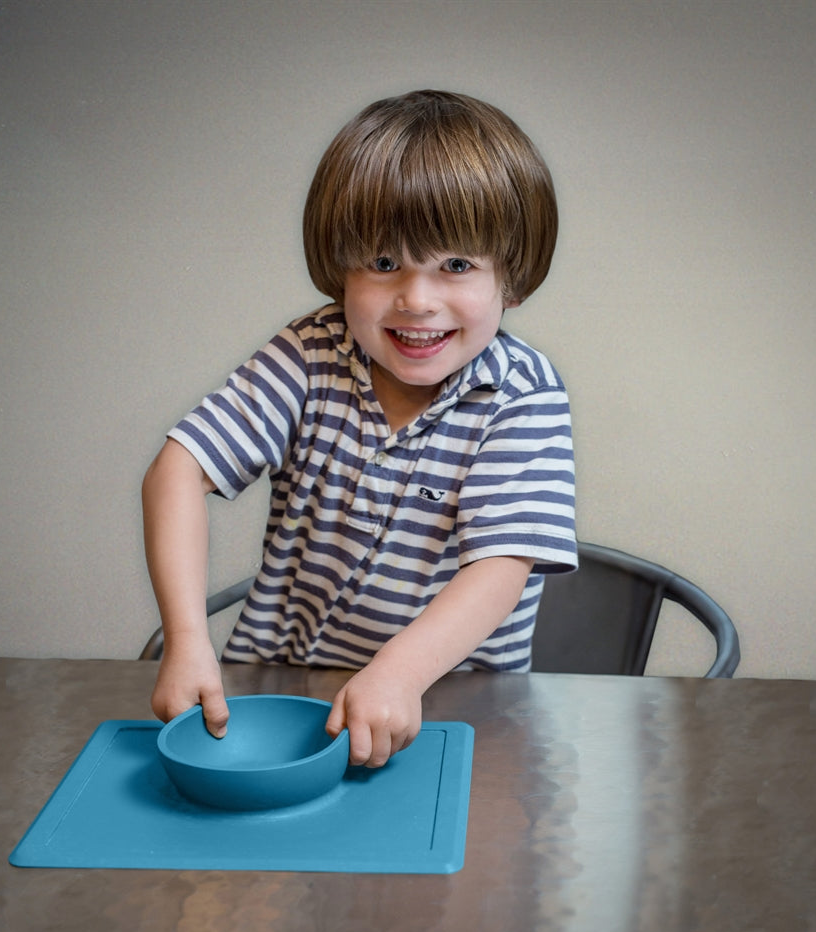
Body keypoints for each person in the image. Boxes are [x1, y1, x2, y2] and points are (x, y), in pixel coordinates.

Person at [142, 90, 577, 768]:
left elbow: (501, 566)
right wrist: (188, 638)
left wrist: (400, 673)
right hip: (284, 695)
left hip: (451, 701)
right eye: (382, 264)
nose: (416, 299)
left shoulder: (521, 394)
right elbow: (177, 471)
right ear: (339, 270)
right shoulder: (310, 352)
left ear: (512, 278)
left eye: (456, 265)